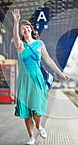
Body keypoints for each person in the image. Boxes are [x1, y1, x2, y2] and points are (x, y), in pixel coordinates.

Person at [12, 8, 68, 145]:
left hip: (36, 78)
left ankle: (39, 126)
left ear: (31, 29)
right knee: (26, 111)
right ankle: (31, 137)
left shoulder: (39, 44)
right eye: (22, 29)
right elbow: (15, 38)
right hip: (24, 81)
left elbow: (49, 61)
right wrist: (16, 21)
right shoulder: (20, 46)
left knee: (37, 105)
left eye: (27, 27)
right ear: (21, 32)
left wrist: (61, 74)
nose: (25, 30)